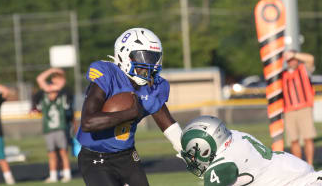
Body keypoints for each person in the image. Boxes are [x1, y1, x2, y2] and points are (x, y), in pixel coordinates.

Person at [76, 27, 183, 186]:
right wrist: (129, 113)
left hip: (127, 157)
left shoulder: (153, 86)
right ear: (125, 54)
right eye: (144, 57)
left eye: (154, 58)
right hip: (94, 158)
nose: (150, 65)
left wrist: (185, 149)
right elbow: (87, 123)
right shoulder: (108, 75)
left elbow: (168, 124)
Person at [180, 115, 322, 186]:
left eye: (193, 154)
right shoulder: (233, 136)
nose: (193, 159)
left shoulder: (224, 163)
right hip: (300, 175)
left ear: (205, 149)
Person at [36, 68, 73, 183]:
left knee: (63, 152)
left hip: (60, 128)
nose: (51, 92)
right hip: (48, 130)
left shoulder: (62, 96)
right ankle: (53, 175)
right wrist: (52, 70)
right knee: (51, 154)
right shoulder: (44, 97)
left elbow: (60, 84)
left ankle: (67, 174)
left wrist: (60, 75)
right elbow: (40, 79)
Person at [282, 50, 316, 165]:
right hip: (289, 111)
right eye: (290, 60)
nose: (292, 61)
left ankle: (310, 165)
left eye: (294, 59)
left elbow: (310, 58)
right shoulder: (283, 74)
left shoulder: (304, 69)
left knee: (308, 138)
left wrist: (294, 54)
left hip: (304, 108)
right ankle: (300, 166)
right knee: (294, 140)